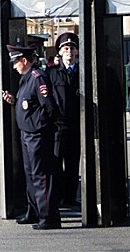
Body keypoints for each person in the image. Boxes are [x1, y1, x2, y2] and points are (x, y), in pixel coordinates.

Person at [3, 45, 61, 230]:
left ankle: (48, 216)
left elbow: (49, 106)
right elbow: (30, 103)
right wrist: (15, 102)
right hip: (27, 133)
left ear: (24, 61)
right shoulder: (25, 79)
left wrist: (41, 125)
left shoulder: (37, 77)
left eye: (16, 62)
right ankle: (34, 211)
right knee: (30, 175)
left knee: (41, 176)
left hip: (38, 135)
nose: (14, 66)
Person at [47, 32, 80, 207]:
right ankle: (57, 196)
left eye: (72, 48)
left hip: (75, 124)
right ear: (59, 52)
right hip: (58, 125)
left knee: (73, 163)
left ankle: (70, 196)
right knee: (56, 162)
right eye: (66, 48)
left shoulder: (82, 73)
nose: (69, 51)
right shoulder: (52, 73)